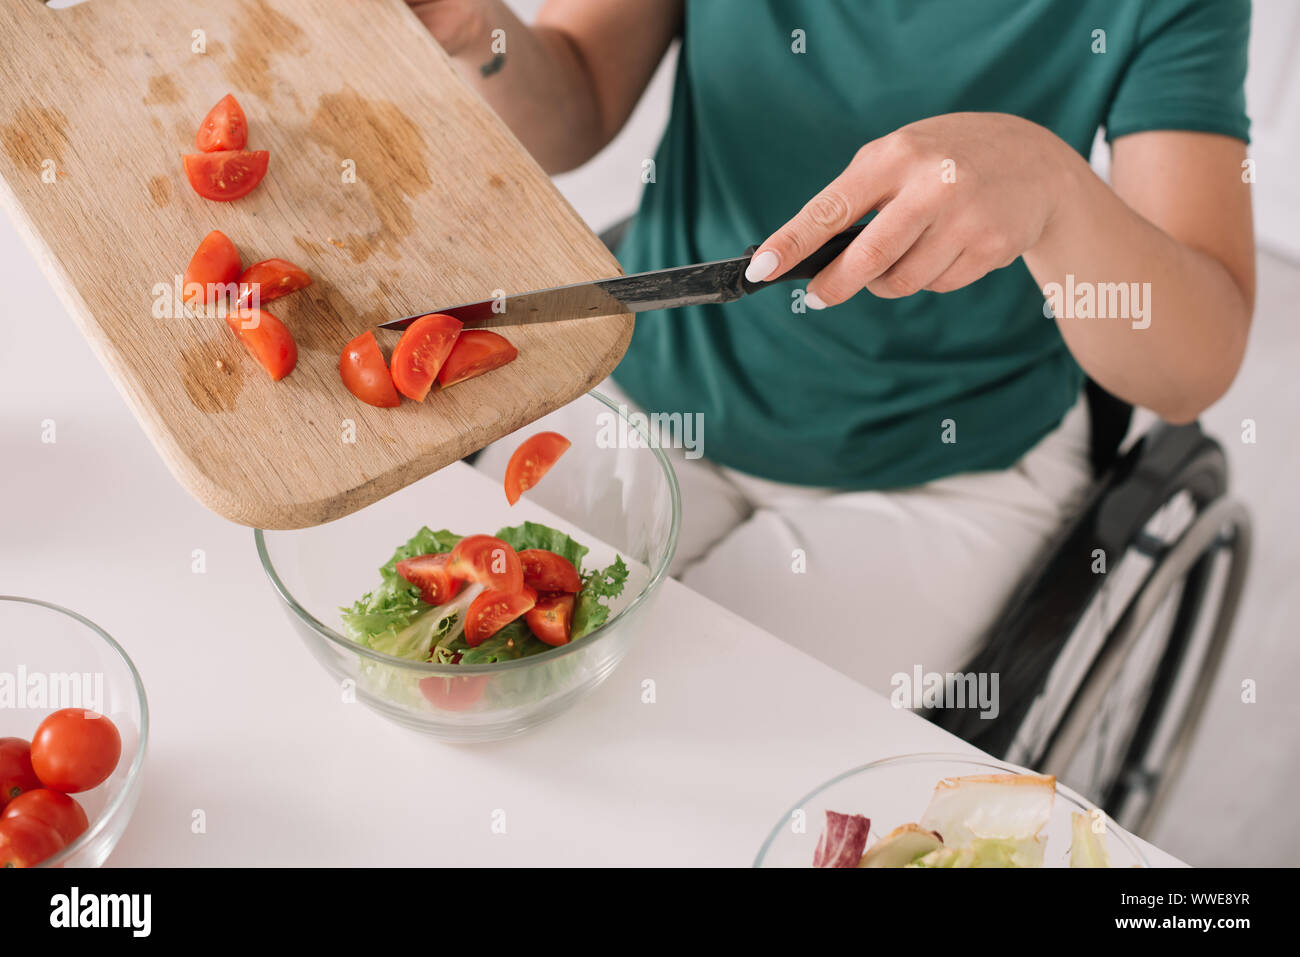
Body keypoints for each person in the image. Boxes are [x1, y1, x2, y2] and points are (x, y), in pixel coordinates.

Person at [408, 0, 1255, 693]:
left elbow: (1191, 369)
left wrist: (1060, 193)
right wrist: (479, 31)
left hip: (947, 472)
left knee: (703, 754)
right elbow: (580, 97)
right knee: (466, 670)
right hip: (648, 383)